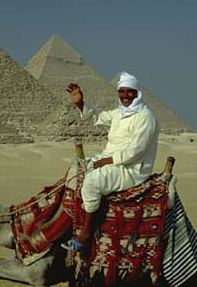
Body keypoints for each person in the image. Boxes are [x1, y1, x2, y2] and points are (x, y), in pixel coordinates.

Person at [65, 71, 159, 251]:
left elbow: (136, 150)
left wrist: (109, 160)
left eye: (129, 92)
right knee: (76, 168)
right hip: (111, 160)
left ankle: (85, 236)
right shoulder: (120, 113)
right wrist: (81, 103)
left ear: (136, 92)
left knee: (92, 182)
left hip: (132, 168)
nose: (125, 96)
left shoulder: (145, 117)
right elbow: (99, 117)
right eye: (121, 91)